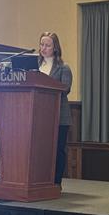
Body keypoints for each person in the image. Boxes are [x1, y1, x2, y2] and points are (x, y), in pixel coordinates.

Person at [38, 32, 72, 184]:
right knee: (41, 149)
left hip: (59, 116)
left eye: (48, 45)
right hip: (39, 116)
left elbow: (65, 89)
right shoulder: (35, 67)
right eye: (42, 44)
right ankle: (41, 180)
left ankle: (56, 182)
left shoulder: (63, 68)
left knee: (58, 150)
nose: (43, 48)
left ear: (55, 48)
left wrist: (46, 86)